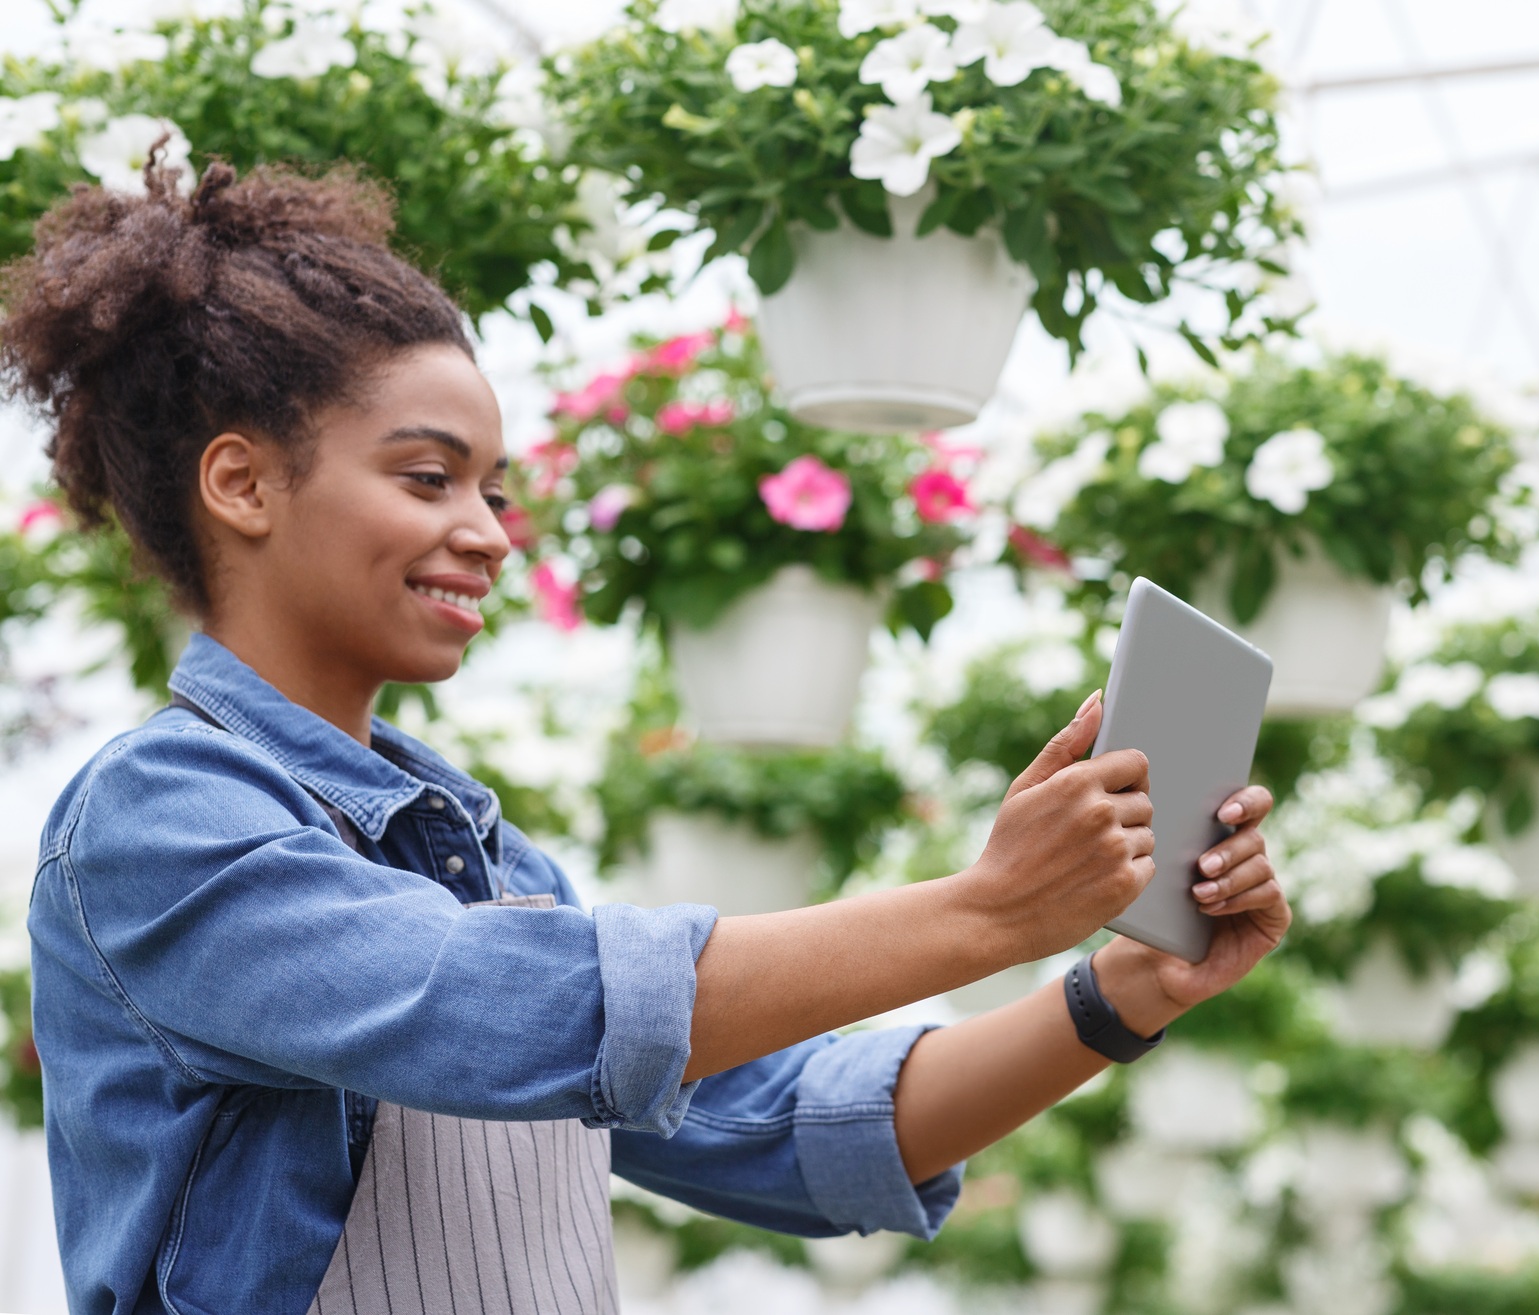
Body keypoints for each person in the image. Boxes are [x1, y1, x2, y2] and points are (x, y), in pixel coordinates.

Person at [4, 156, 1289, 1315]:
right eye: (427, 476)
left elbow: (796, 1134)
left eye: (494, 492)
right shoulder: (158, 819)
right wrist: (993, 908)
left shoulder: (493, 874)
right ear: (241, 483)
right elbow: (505, 1016)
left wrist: (1116, 992)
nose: (490, 532)